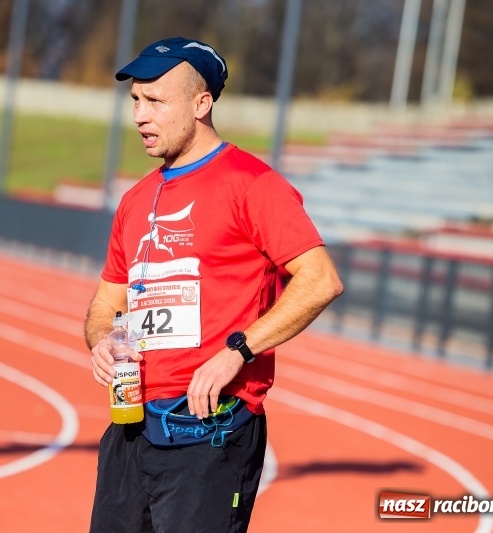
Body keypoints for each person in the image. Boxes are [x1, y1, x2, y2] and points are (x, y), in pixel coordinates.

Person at [83, 37, 344, 532]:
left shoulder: (252, 184)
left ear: (202, 104)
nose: (140, 115)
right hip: (131, 427)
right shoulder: (136, 200)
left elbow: (320, 280)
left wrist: (236, 352)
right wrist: (102, 340)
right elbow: (105, 301)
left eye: (156, 101)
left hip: (212, 429)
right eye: (136, 100)